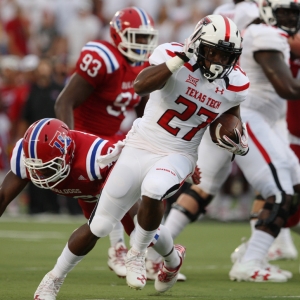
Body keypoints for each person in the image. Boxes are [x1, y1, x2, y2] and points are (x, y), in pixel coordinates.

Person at [38, 14, 250, 295]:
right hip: (140, 143)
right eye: (215, 52)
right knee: (100, 224)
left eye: (228, 56)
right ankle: (53, 279)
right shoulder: (172, 54)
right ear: (199, 45)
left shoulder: (235, 83)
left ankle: (137, 253)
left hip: (179, 152)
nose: (221, 61)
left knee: (154, 188)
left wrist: (233, 136)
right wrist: (180, 61)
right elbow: (140, 86)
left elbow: (228, 118)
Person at [164, 0, 300, 282]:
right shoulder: (264, 33)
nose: (289, 19)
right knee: (280, 189)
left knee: (204, 188)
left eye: (293, 14)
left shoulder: (242, 19)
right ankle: (250, 260)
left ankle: (154, 256)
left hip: (231, 110)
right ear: (266, 10)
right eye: (283, 13)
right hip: (247, 117)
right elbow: (286, 87)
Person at [0, 118, 185, 299]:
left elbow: (137, 167)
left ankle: (173, 260)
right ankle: (52, 281)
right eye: (36, 168)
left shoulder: (97, 158)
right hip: (85, 191)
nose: (40, 174)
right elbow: (3, 197)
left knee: (138, 230)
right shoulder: (29, 156)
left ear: (67, 153)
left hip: (107, 181)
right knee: (99, 226)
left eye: (48, 168)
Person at [54, 6, 159, 277]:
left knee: (145, 190)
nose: (143, 45)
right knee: (112, 196)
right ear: (118, 35)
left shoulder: (142, 67)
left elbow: (144, 110)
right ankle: (123, 251)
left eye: (147, 38)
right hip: (85, 139)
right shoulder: (104, 58)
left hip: (112, 140)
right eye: (137, 37)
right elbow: (64, 101)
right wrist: (70, 141)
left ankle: (142, 253)